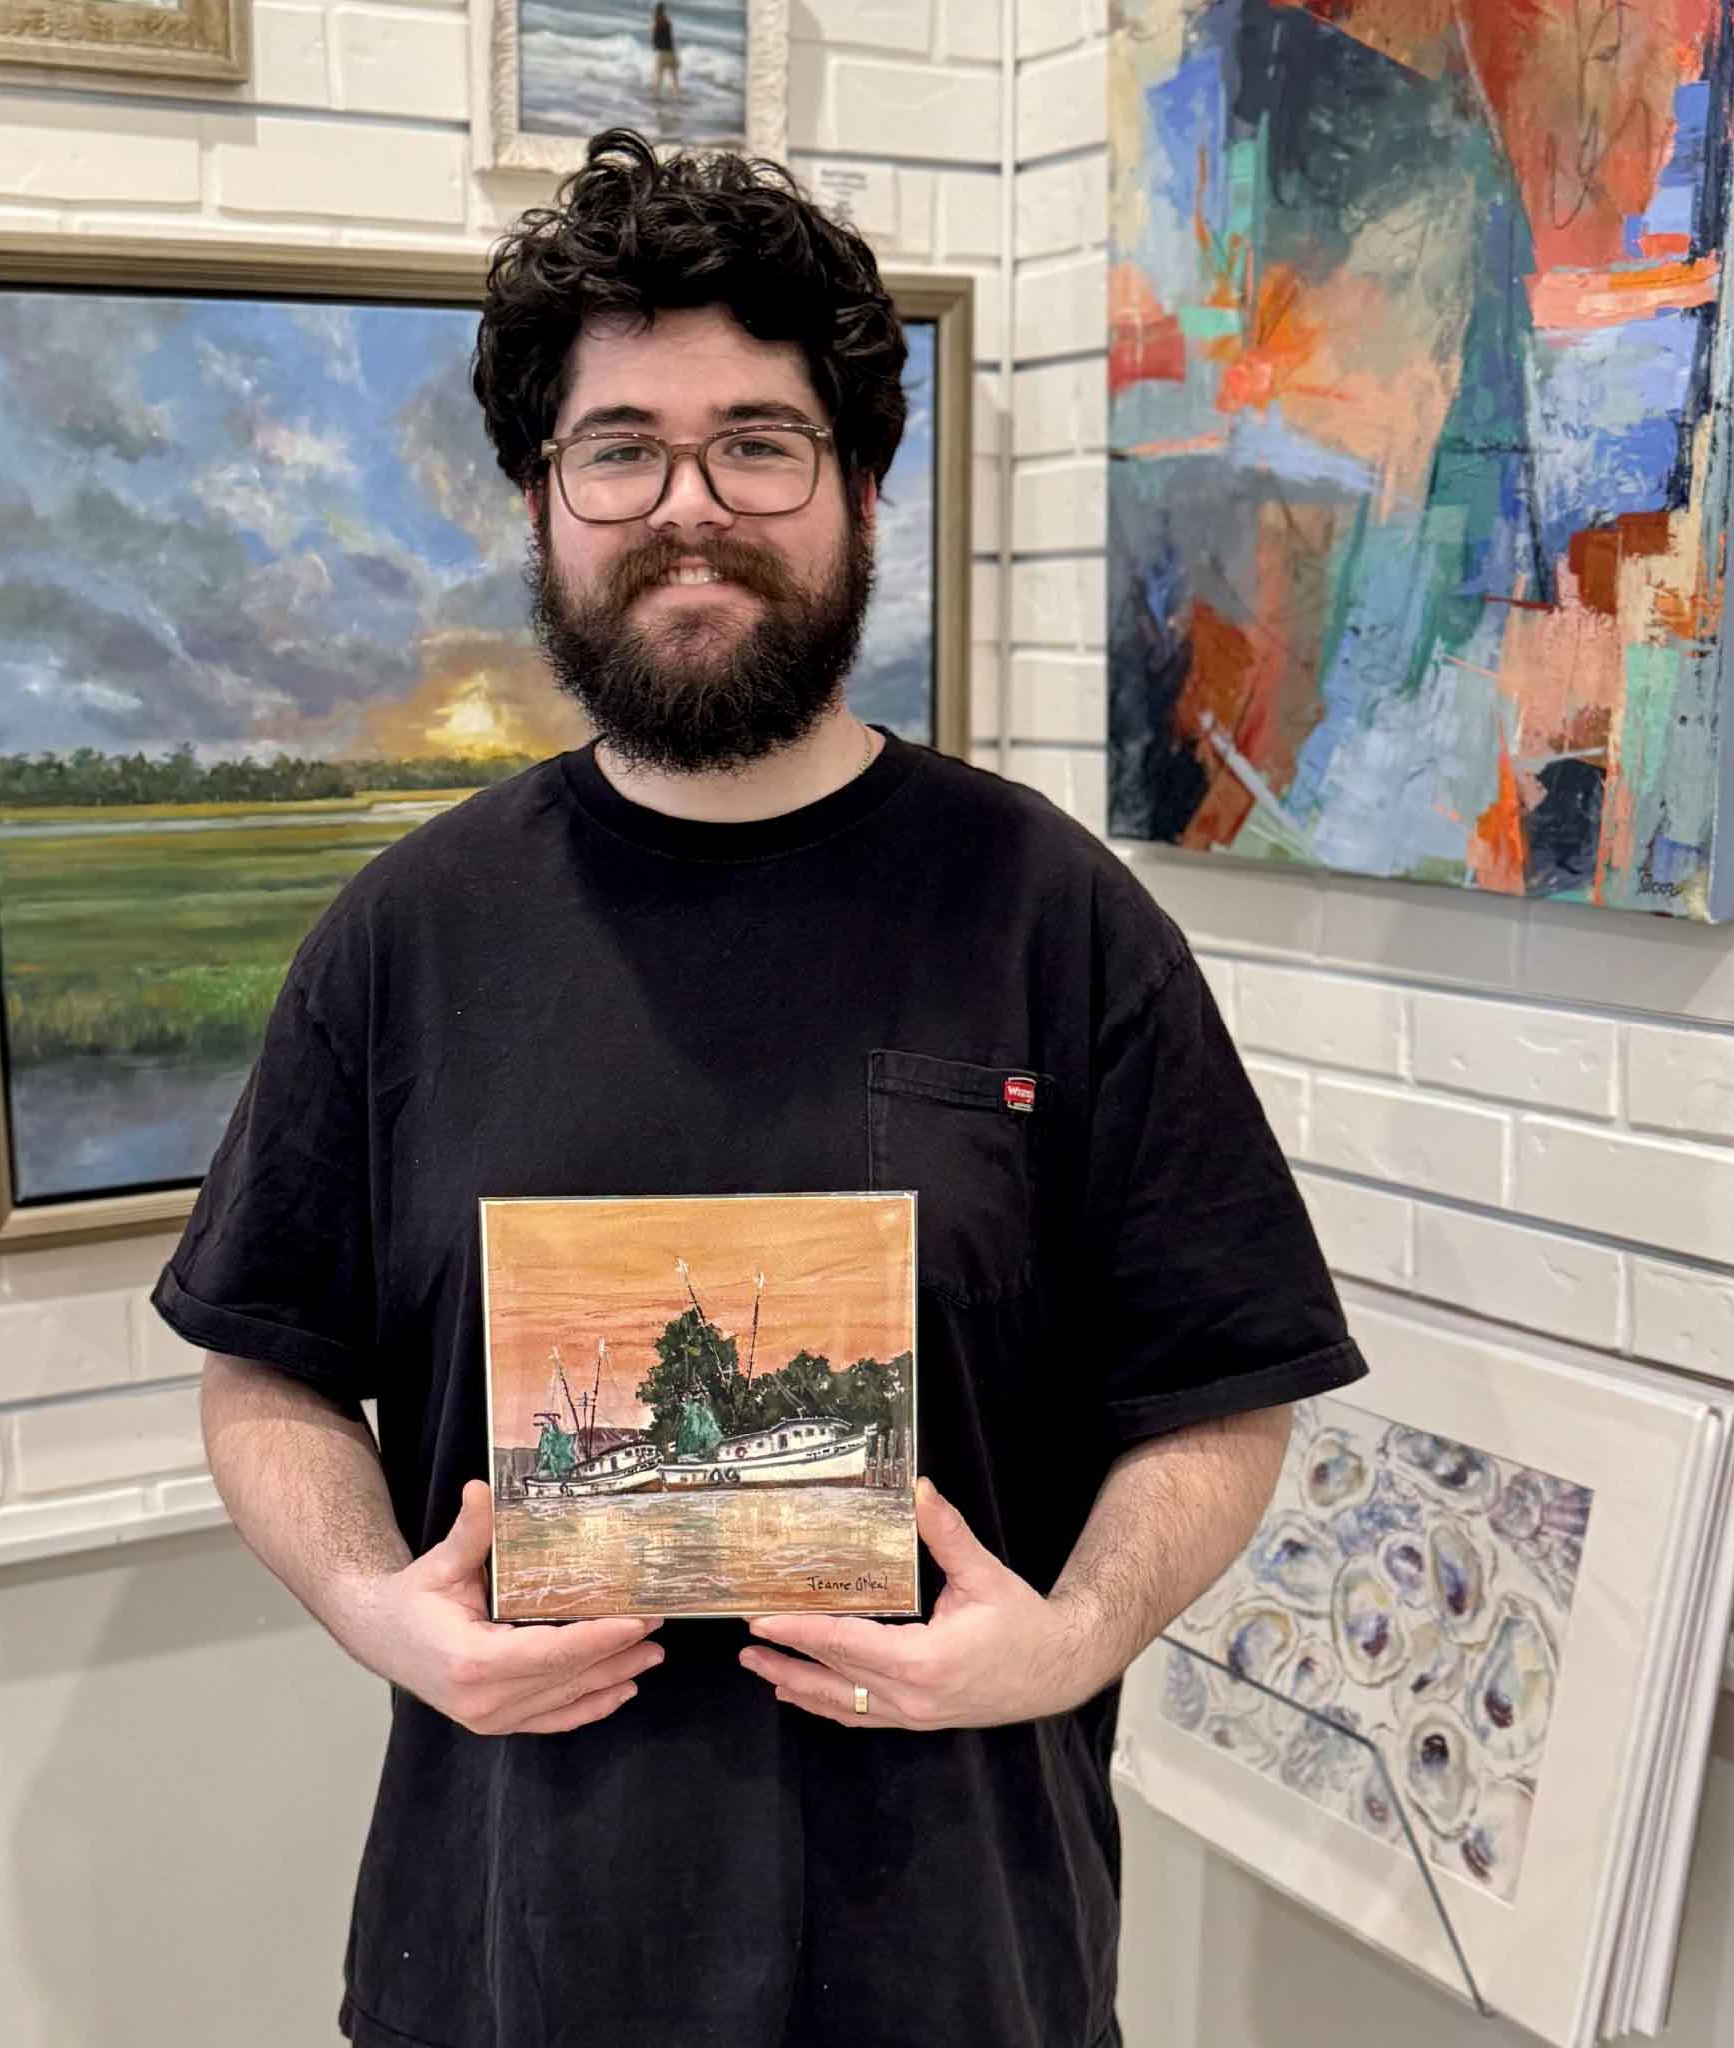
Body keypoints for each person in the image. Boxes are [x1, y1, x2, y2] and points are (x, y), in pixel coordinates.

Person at [156, 128, 1367, 2048]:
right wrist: (377, 1605)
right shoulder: (407, 938)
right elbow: (265, 1367)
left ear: (857, 486)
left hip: (958, 1953)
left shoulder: (1052, 913)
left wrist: (1070, 1635)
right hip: (505, 1958)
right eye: (618, 447)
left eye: (757, 442)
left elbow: (1218, 1390)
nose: (684, 506)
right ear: (542, 500)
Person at [649, 4, 679, 102]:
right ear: (664, 10)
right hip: (670, 53)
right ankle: (677, 96)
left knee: (659, 77)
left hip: (661, 54)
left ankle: (656, 96)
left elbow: (654, 40)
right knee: (674, 76)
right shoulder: (668, 23)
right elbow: (671, 39)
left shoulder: (655, 23)